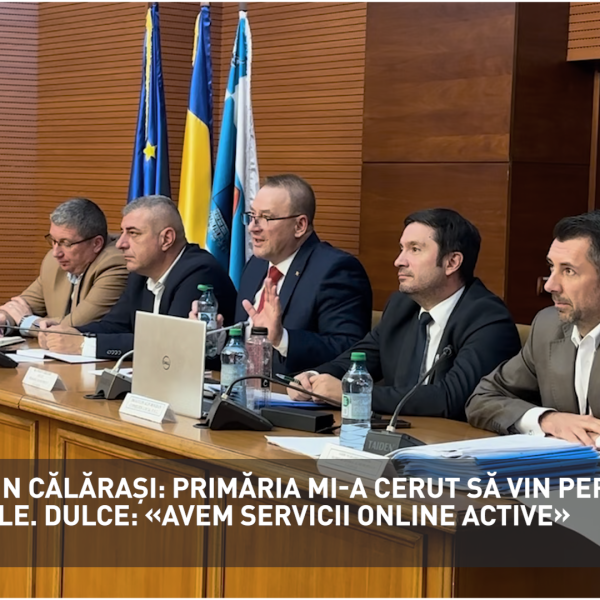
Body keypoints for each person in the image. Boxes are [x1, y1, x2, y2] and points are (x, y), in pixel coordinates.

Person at [288, 208, 521, 420]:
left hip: (457, 443)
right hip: (398, 434)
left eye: (415, 249)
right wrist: (312, 378)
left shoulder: (488, 319)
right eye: (402, 249)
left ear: (452, 262)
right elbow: (359, 359)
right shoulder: (402, 306)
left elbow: (453, 399)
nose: (399, 261)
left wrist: (354, 394)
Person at [190, 174, 372, 375]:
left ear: (300, 226)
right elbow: (244, 346)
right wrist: (216, 338)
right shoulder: (255, 266)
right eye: (252, 216)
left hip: (291, 392)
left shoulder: (336, 270)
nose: (252, 227)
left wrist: (282, 339)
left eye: (266, 218)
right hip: (239, 387)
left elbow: (349, 350)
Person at [39, 195, 237, 359]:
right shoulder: (140, 273)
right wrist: (71, 332)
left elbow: (169, 342)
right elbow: (115, 325)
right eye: (123, 232)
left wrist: (84, 345)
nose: (120, 243)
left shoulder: (199, 272)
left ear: (166, 239)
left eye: (133, 233)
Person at [467, 211, 600, 445]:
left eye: (568, 271)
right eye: (551, 267)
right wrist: (548, 419)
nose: (550, 285)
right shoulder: (548, 326)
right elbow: (483, 398)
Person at [0, 197, 127, 334]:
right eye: (53, 241)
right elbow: (19, 306)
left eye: (66, 243)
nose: (56, 253)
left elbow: (73, 328)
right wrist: (4, 320)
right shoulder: (54, 262)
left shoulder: (116, 263)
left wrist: (26, 321)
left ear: (96, 244)